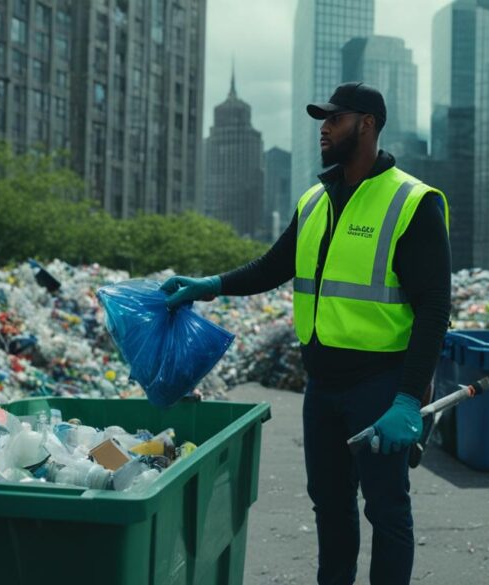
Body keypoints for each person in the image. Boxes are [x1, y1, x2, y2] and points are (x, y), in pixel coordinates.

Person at [162, 82, 451, 585]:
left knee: (386, 510)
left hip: (380, 385)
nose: (324, 127)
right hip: (321, 385)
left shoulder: (412, 201)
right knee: (331, 506)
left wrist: (408, 397)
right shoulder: (316, 199)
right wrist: (210, 286)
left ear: (367, 124)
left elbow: (433, 308)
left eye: (335, 118)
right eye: (322, 118)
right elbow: (275, 265)